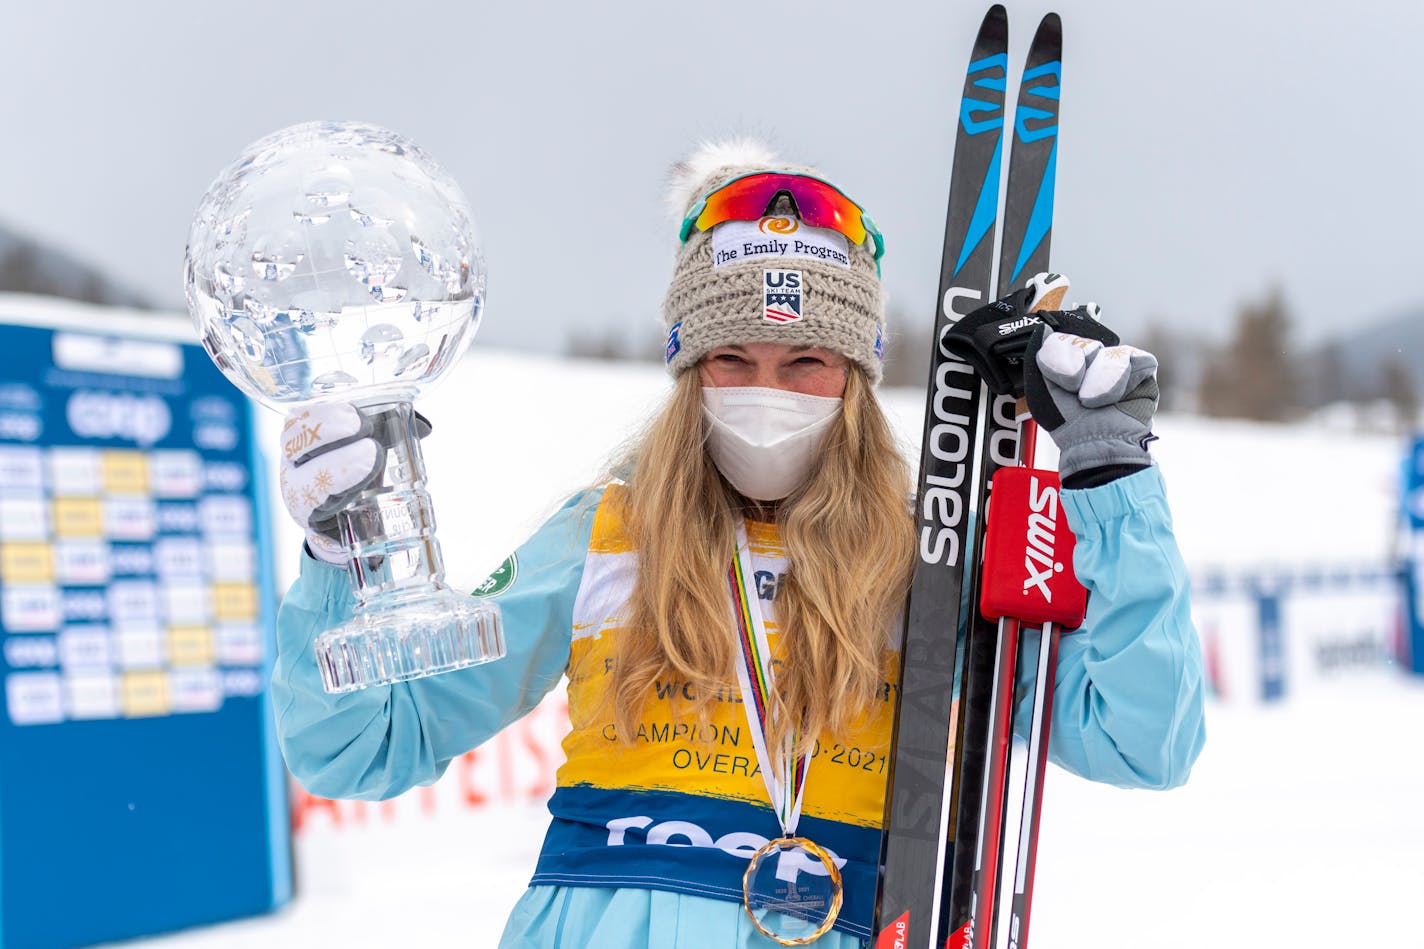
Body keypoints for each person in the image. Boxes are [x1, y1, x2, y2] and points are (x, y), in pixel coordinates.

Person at [271, 141, 1206, 948]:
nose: (769, 390)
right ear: (690, 370)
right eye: (733, 359)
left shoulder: (928, 562)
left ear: (853, 376)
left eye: (806, 361)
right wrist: (337, 560)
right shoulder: (608, 535)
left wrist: (1109, 474)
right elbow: (362, 745)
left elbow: (1141, 741)